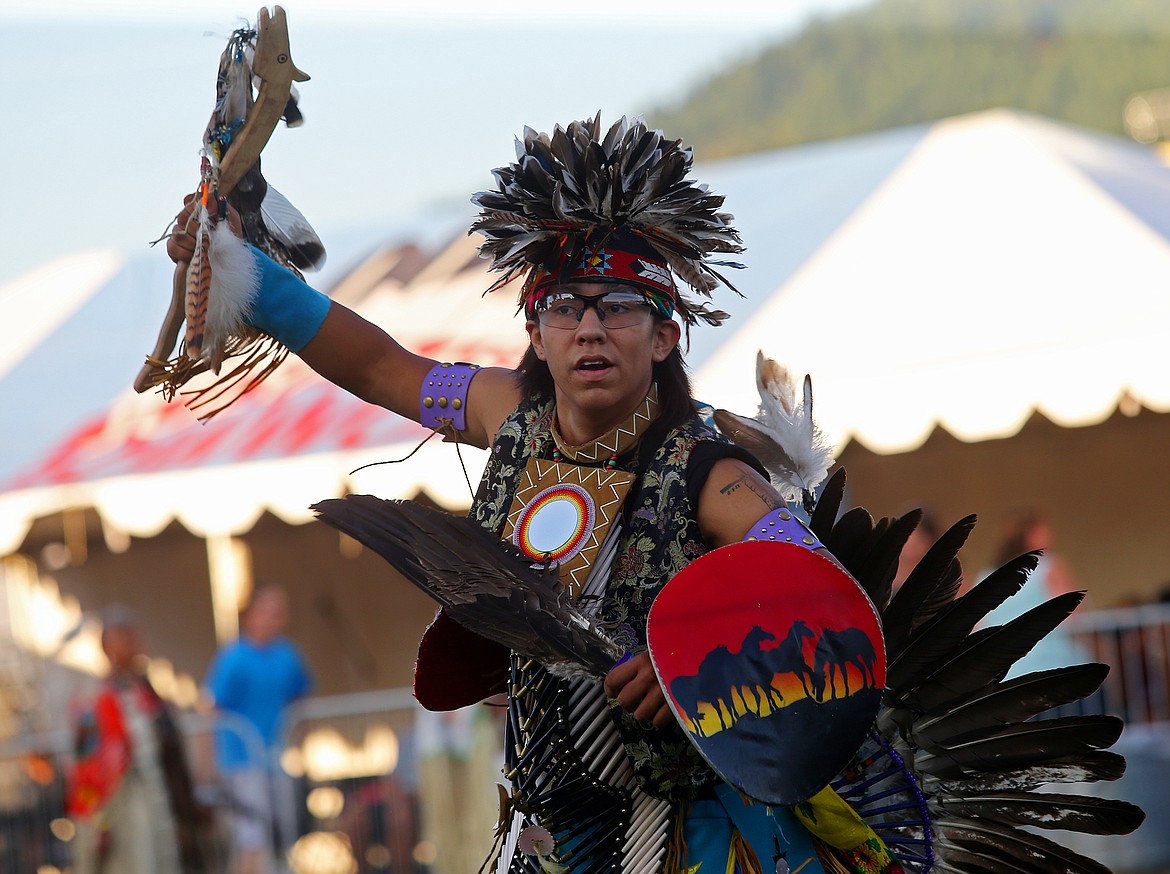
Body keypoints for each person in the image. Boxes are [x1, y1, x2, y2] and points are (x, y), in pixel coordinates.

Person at [67, 605, 204, 874]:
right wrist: (98, 822)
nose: (134, 646)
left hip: (155, 799)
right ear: (107, 647)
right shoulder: (93, 701)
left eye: (134, 638)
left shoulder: (146, 694)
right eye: (124, 639)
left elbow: (169, 750)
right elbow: (86, 768)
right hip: (119, 807)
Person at [203, 585, 313, 874]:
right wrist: (207, 766)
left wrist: (299, 744)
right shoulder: (234, 657)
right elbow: (213, 709)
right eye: (267, 610)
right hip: (241, 763)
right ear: (250, 614)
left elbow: (301, 699)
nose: (274, 617)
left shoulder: (288, 655)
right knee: (251, 838)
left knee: (282, 836)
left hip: (275, 761)